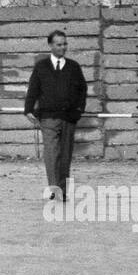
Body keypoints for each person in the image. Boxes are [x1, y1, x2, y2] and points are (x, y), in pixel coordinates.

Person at [23, 29, 87, 201]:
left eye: (65, 44)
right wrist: (28, 109)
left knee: (65, 154)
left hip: (68, 117)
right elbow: (33, 89)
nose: (63, 47)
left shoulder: (73, 67)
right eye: (59, 44)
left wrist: (79, 110)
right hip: (48, 117)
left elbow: (82, 90)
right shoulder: (41, 67)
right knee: (52, 153)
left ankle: (63, 189)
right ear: (50, 45)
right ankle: (54, 188)